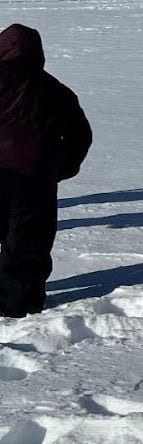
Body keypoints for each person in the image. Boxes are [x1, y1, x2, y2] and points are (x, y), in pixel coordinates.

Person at [0, 24, 92, 318]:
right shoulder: (55, 90)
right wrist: (62, 168)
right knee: (27, 239)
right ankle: (16, 303)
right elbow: (80, 134)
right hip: (33, 176)